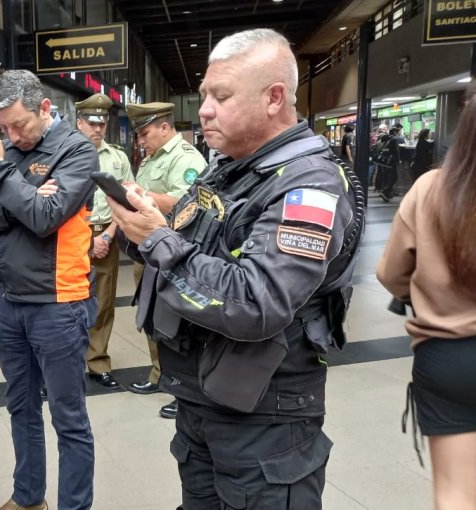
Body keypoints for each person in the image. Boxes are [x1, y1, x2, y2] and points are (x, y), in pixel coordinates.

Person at [108, 29, 364, 509]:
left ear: (273, 98)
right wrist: (138, 227)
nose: (203, 109)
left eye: (220, 96)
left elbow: (256, 302)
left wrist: (157, 238)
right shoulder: (226, 167)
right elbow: (179, 243)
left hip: (265, 418)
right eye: (205, 94)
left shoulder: (310, 184)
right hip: (206, 399)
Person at [0, 69, 97, 510]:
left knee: (68, 418)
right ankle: (28, 498)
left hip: (59, 303)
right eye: (2, 127)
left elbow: (47, 217)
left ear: (44, 108)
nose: (11, 134)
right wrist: (23, 199)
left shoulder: (76, 150)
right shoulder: (10, 151)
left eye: (19, 124)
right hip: (13, 303)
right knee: (20, 407)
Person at [376, 82, 476, 510]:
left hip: (449, 357)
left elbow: (391, 273)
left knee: (455, 494)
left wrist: (425, 293)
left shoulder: (432, 189)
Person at [122, 101, 207, 421]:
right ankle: (160, 375)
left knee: (178, 323)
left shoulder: (185, 158)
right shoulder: (153, 158)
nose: (141, 141)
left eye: (145, 133)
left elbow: (190, 204)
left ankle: (183, 390)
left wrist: (141, 195)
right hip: (149, 251)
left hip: (174, 252)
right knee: (154, 319)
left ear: (164, 127)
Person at [75, 92, 131, 389]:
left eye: (102, 123)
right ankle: (69, 363)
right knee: (70, 303)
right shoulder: (65, 153)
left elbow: (126, 202)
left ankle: (98, 362)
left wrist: (107, 235)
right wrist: (87, 238)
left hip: (106, 236)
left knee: (104, 303)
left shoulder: (118, 157)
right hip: (73, 237)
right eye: (91, 122)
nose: (97, 129)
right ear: (79, 122)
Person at [378, 126, 403, 202]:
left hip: (385, 160)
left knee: (387, 177)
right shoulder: (394, 139)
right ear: (395, 132)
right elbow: (396, 151)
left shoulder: (385, 138)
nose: (399, 133)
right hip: (391, 161)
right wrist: (398, 160)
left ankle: (388, 193)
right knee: (394, 177)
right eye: (398, 132)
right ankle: (384, 191)